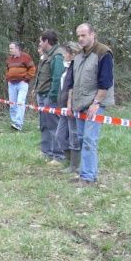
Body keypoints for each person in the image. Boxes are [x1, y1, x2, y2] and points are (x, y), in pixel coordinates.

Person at [67, 23, 114, 186]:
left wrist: (96, 103)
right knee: (81, 138)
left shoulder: (103, 53)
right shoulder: (78, 56)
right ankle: (86, 173)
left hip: (95, 103)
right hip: (79, 103)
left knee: (89, 139)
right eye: (78, 36)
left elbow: (105, 82)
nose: (80, 38)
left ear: (93, 35)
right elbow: (71, 82)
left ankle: (88, 177)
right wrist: (69, 103)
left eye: (84, 35)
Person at [32, 29, 65, 162]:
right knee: (44, 125)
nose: (40, 43)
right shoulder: (47, 55)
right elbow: (42, 76)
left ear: (46, 41)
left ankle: (59, 156)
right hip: (42, 94)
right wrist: (36, 89)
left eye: (41, 41)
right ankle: (46, 153)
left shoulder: (57, 56)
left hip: (50, 97)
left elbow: (57, 78)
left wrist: (51, 96)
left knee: (54, 126)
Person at [55, 41, 82, 174]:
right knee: (60, 135)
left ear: (72, 54)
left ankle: (75, 165)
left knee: (74, 136)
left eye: (65, 53)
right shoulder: (66, 67)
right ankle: (69, 160)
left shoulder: (77, 67)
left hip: (72, 107)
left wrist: (71, 104)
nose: (63, 55)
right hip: (63, 106)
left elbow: (73, 88)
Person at [6, 42, 36, 131]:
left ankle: (19, 123)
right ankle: (14, 122)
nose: (10, 50)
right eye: (9, 49)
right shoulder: (9, 59)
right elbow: (8, 69)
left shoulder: (25, 57)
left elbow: (32, 68)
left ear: (17, 48)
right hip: (11, 83)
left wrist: (27, 78)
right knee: (12, 104)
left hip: (22, 83)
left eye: (11, 48)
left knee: (20, 102)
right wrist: (8, 77)